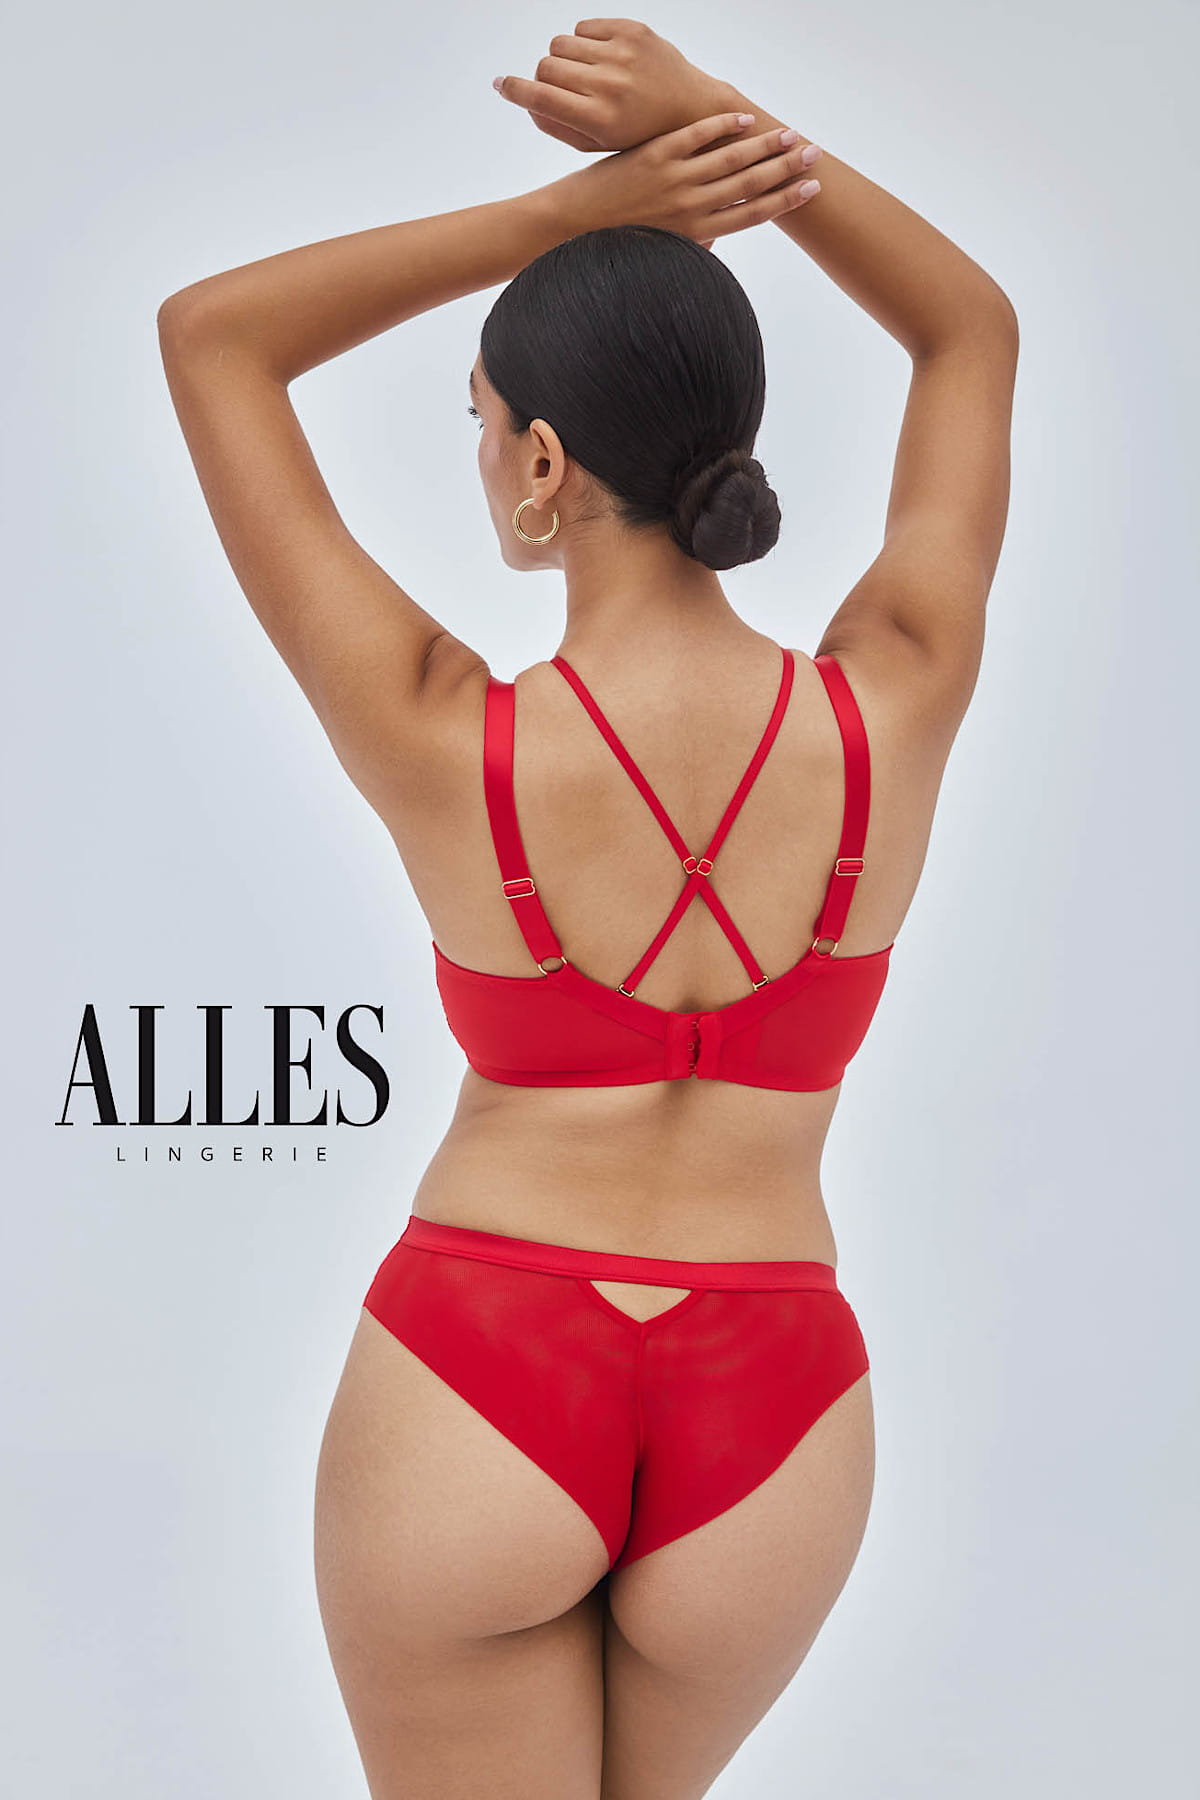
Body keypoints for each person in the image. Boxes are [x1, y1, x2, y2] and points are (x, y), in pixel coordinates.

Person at [157, 19, 1017, 1799]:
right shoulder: (898, 698)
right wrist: (720, 130)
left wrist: (561, 217)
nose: (479, 455)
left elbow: (212, 337)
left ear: (545, 463)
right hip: (776, 1407)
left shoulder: (440, 734)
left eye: (481, 422)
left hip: (482, 1372)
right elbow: (971, 331)